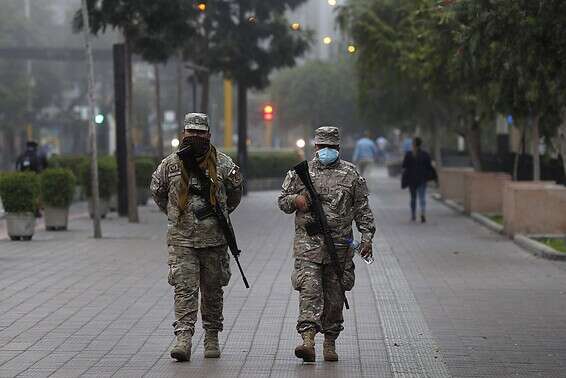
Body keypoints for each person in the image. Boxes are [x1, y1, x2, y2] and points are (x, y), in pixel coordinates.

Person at [150, 113, 243, 362]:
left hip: (214, 241)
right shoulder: (170, 165)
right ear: (183, 134)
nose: (195, 137)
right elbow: (158, 193)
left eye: (200, 133)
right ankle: (184, 338)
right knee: (184, 290)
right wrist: (176, 215)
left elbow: (234, 195)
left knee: (213, 291)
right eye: (190, 132)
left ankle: (211, 336)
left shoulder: (223, 165)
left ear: (209, 135)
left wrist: (217, 216)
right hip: (182, 241)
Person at [278, 126, 376, 363]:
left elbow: (363, 210)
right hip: (308, 247)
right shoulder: (301, 173)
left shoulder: (351, 174)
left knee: (334, 298)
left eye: (331, 147)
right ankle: (308, 340)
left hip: (339, 249)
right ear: (315, 147)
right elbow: (282, 201)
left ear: (338, 148)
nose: (326, 151)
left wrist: (366, 238)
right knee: (309, 292)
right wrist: (296, 200)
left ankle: (330, 342)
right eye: (322, 147)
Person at [401, 137, 437, 223]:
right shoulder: (425, 154)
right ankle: (423, 213)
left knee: (413, 198)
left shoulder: (409, 154)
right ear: (420, 144)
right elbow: (429, 167)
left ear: (413, 144)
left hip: (411, 179)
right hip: (422, 179)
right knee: (422, 198)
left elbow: (404, 166)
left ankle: (413, 215)